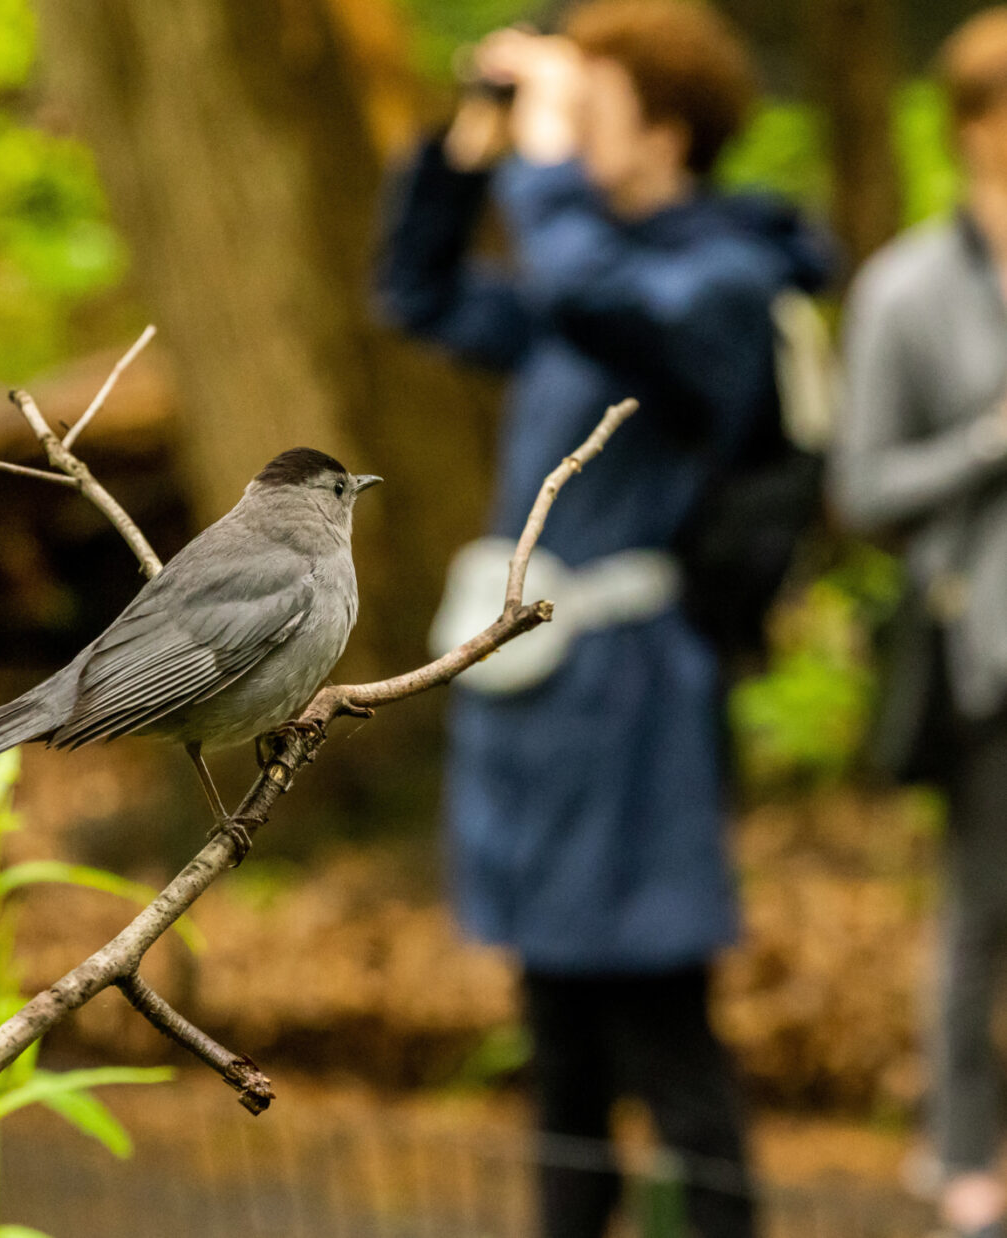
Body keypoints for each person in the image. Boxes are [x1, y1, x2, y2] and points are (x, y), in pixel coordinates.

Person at [374, 4, 831, 1236]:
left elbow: (590, 286)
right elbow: (418, 295)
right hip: (538, 700)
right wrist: (475, 142)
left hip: (636, 696)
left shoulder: (721, 280)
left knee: (664, 1020)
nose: (569, 134)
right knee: (559, 1035)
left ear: (669, 132)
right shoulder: (590, 278)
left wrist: (543, 153)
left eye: (598, 108)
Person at [832, 11, 1007, 1237]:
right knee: (982, 909)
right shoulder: (904, 288)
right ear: (974, 129)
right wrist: (992, 443)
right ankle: (961, 1155)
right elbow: (863, 491)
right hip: (983, 653)